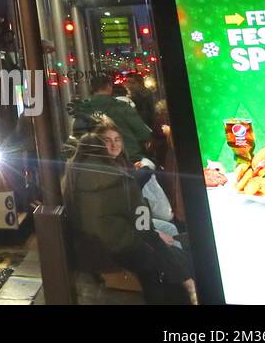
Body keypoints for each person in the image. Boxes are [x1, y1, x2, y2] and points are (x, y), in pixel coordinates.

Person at [62, 134, 194, 304]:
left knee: (164, 249)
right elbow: (143, 224)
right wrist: (156, 237)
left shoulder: (71, 178)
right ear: (104, 151)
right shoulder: (122, 179)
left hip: (90, 247)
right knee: (165, 258)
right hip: (120, 248)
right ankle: (188, 288)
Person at [85, 74, 153, 163]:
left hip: (96, 161)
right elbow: (143, 133)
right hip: (129, 157)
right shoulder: (122, 106)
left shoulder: (83, 109)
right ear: (109, 87)